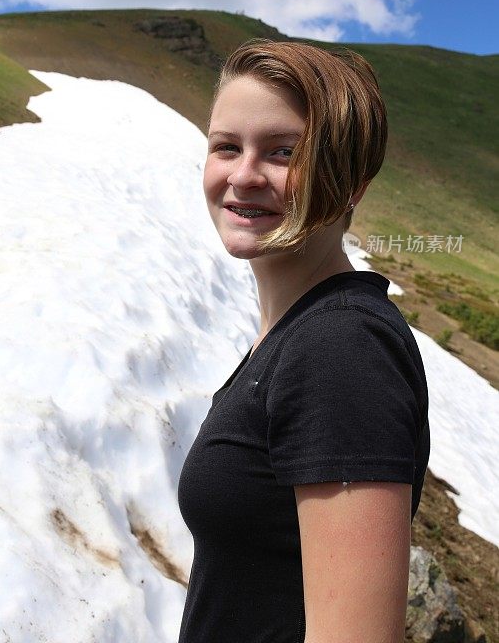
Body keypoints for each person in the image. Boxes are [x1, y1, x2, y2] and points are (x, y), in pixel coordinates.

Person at [176, 38, 430, 643]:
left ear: (350, 186)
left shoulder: (341, 348)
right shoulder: (297, 333)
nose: (243, 174)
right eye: (227, 146)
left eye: (284, 152)